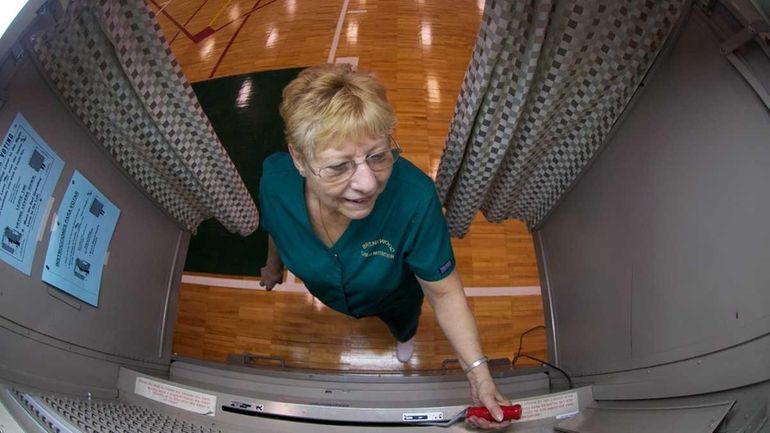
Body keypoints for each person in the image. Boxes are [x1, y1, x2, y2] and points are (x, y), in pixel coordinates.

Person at [258, 63, 511, 429]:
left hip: (396, 297)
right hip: (331, 295)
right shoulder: (274, 181)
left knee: (403, 323)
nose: (366, 184)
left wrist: (479, 375)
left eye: (378, 156)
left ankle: (404, 336)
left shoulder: (415, 197)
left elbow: (445, 293)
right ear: (299, 159)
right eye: (338, 166)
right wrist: (273, 266)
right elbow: (276, 228)